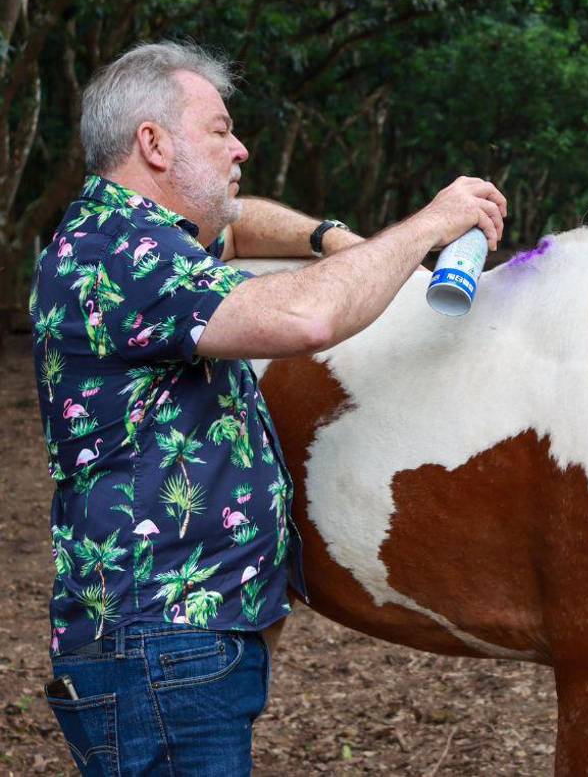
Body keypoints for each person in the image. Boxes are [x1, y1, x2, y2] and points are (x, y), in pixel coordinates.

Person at [31, 41, 507, 776]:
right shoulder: (118, 255)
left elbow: (242, 221)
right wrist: (426, 226)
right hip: (159, 647)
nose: (240, 147)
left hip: (176, 643)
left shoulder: (136, 235)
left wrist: (331, 238)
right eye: (220, 129)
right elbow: (305, 318)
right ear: (153, 144)